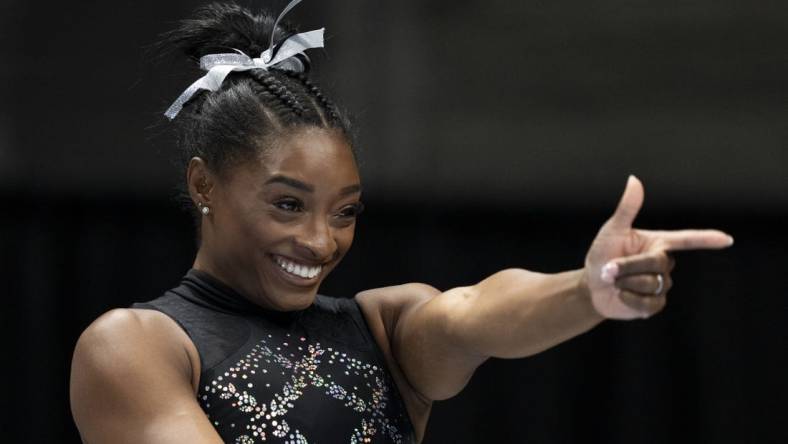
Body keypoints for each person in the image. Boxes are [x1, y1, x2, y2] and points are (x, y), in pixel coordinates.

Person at [68, 2, 734, 443]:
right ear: (202, 184)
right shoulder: (139, 345)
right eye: (288, 205)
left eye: (346, 212)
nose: (321, 241)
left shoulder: (384, 333)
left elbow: (479, 311)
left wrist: (589, 290)